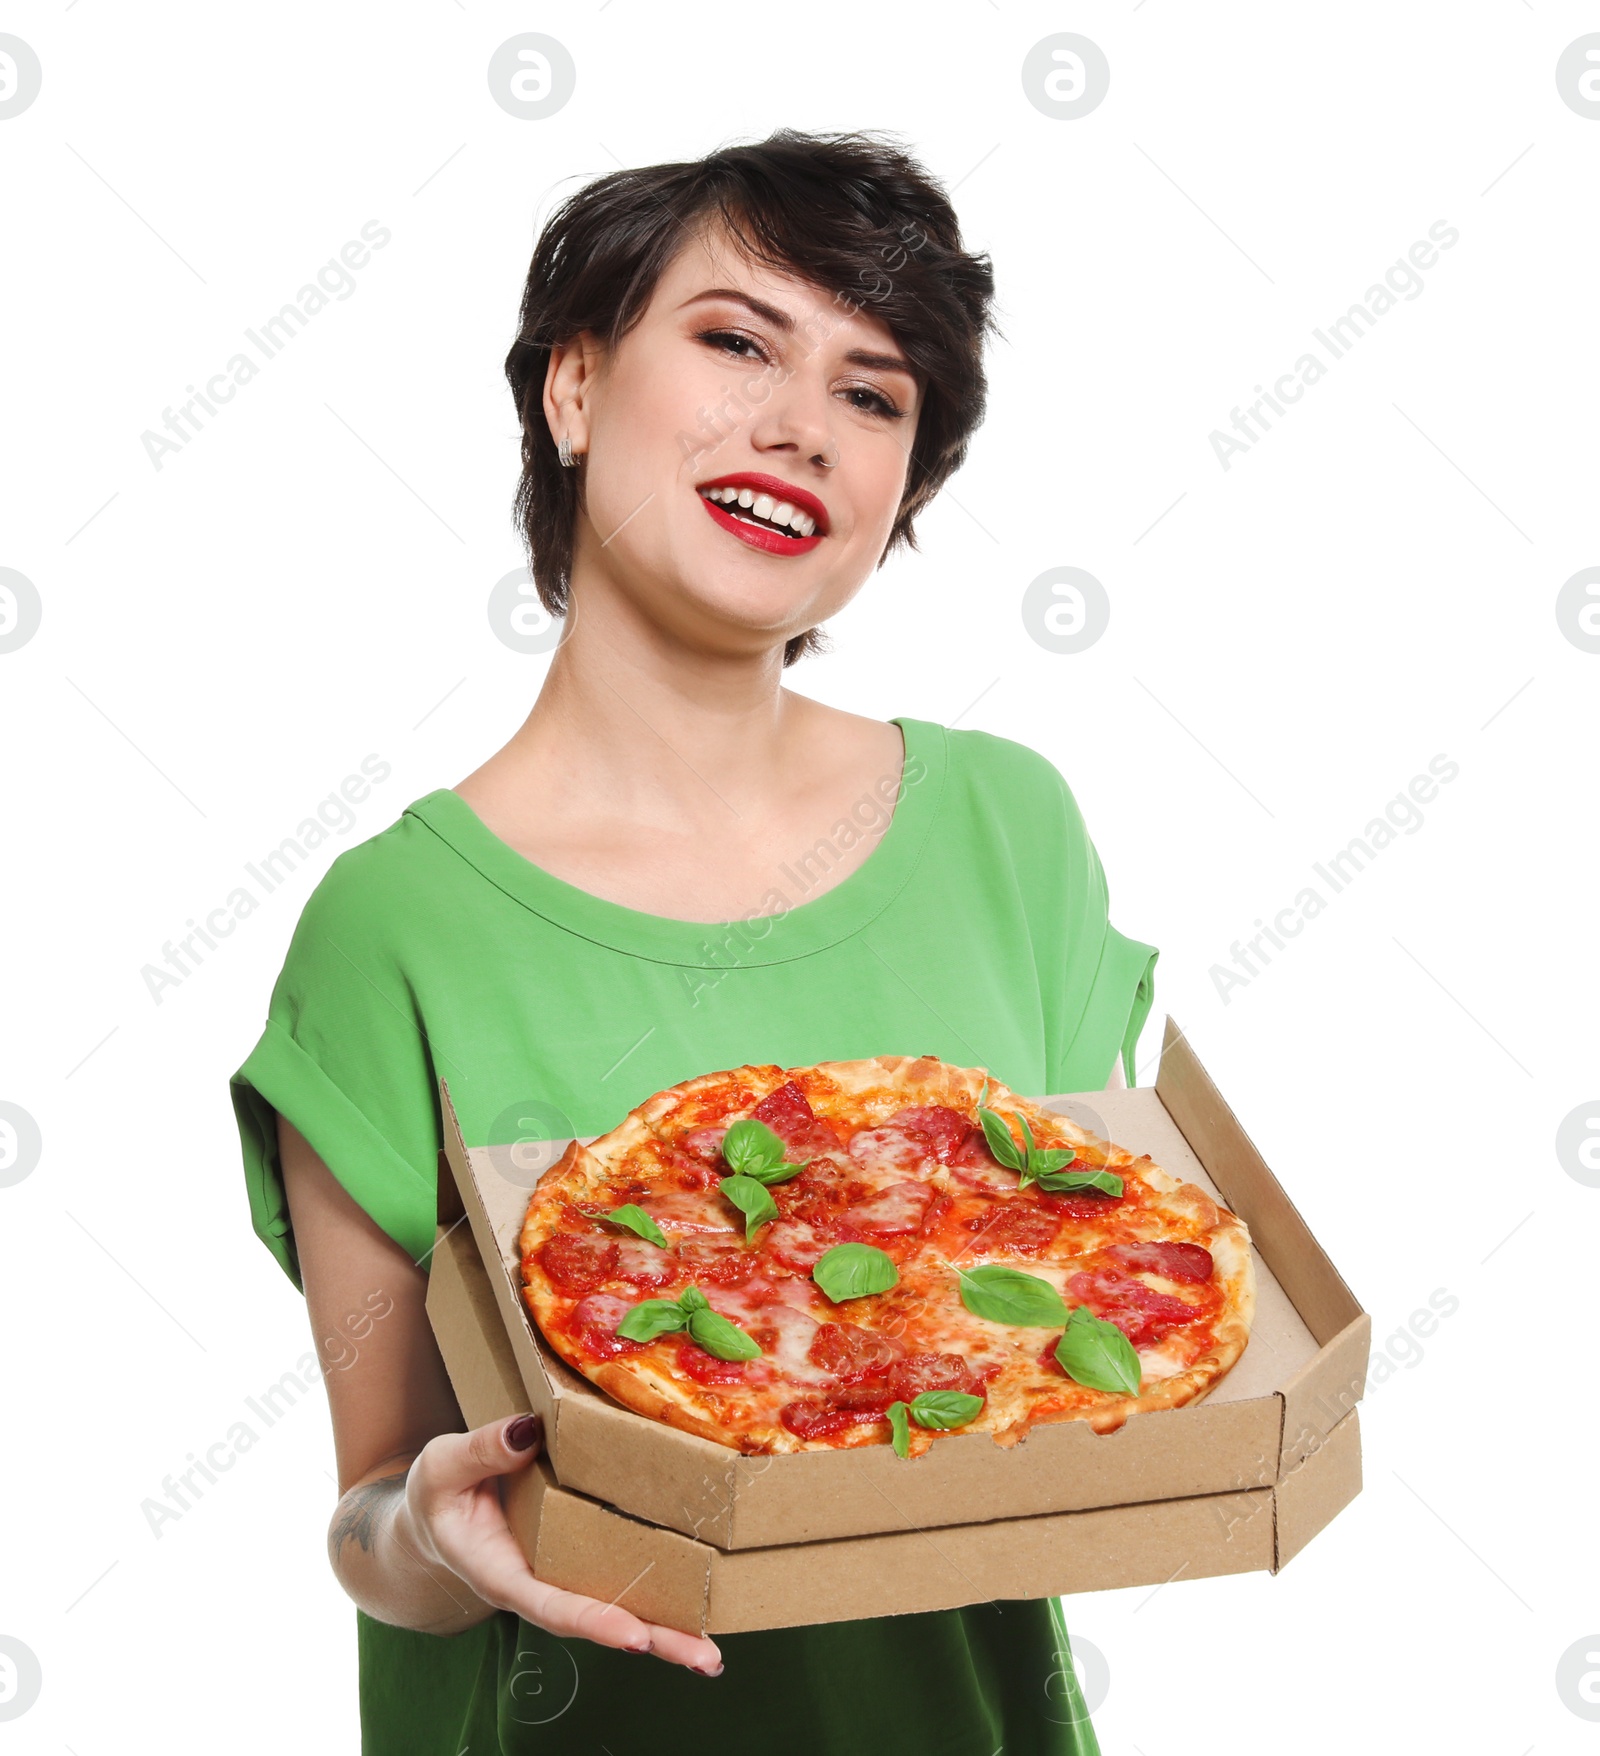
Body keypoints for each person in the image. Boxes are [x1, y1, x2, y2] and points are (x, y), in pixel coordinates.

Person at [230, 128, 1156, 1756]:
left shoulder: (1014, 832)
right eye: (737, 342)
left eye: (874, 397)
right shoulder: (392, 927)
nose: (799, 427)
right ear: (572, 391)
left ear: (907, 494)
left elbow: (1079, 1346)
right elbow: (372, 1518)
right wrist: (433, 1536)